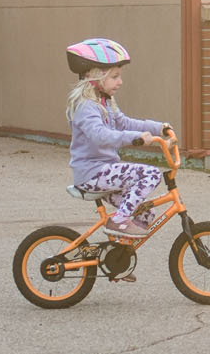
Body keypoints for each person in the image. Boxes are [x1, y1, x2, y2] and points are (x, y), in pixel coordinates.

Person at [63, 38, 173, 238]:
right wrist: (136, 139)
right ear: (93, 76)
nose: (120, 82)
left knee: (146, 214)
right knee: (151, 174)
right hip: (92, 174)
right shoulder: (86, 106)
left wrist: (159, 128)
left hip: (105, 172)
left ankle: (116, 262)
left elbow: (125, 123)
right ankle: (119, 220)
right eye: (114, 76)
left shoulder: (104, 102)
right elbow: (100, 136)